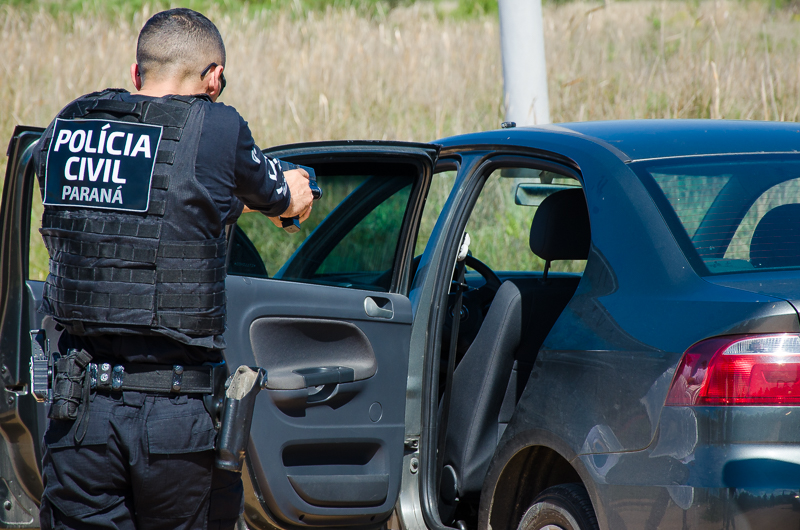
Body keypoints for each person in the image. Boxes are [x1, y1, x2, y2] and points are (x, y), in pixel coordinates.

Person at [31, 8, 313, 530]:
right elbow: (278, 197)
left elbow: (122, 209)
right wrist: (298, 193)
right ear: (215, 79)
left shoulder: (67, 125)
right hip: (173, 418)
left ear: (137, 73)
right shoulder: (218, 128)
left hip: (78, 416)